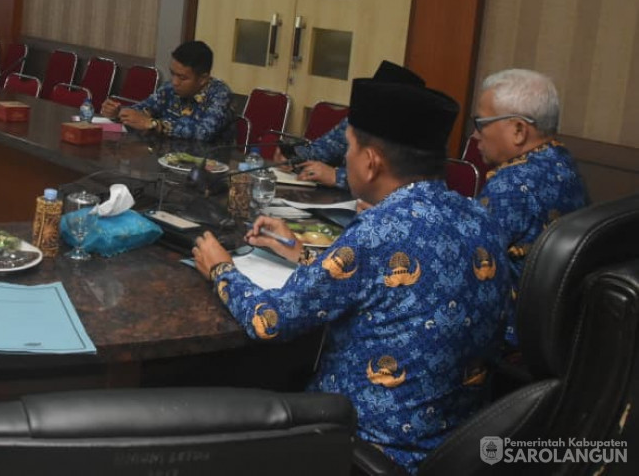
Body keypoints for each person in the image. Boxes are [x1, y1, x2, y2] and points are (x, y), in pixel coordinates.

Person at [192, 79, 510, 473]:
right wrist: (299, 253)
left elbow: (270, 321)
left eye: (349, 149)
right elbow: (388, 284)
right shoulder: (482, 218)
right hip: (457, 444)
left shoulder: (378, 229)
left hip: (368, 444)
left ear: (371, 161)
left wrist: (221, 268)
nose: (345, 159)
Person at [472, 68, 586, 347]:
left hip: (509, 336)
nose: (475, 135)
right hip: (558, 332)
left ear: (519, 130)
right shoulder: (561, 161)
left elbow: (464, 258)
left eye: (480, 123)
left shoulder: (511, 186)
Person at [290, 60, 424, 188]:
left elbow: (393, 183)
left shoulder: (412, 140)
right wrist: (293, 156)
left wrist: (337, 176)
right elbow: (326, 148)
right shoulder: (360, 118)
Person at [99, 40, 233, 142]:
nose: (175, 82)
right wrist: (119, 112)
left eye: (182, 77)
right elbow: (144, 108)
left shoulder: (220, 94)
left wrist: (153, 124)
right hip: (167, 156)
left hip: (205, 166)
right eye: (172, 74)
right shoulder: (170, 88)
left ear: (203, 79)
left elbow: (204, 132)